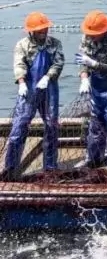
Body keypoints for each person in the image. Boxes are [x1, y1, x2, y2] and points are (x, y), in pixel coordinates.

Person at [2, 12, 63, 179]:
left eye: (45, 29)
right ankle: (11, 167)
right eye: (40, 30)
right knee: (20, 125)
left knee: (51, 125)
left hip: (49, 88)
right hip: (28, 89)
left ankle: (50, 166)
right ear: (32, 31)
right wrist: (21, 82)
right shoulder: (22, 45)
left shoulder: (55, 43)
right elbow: (19, 64)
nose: (43, 32)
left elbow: (58, 63)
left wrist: (48, 77)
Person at [75, 10, 107, 171]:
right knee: (94, 126)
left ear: (104, 31)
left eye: (95, 34)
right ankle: (93, 159)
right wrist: (84, 78)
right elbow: (82, 61)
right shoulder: (86, 38)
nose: (91, 36)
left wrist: (93, 64)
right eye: (89, 33)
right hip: (96, 89)